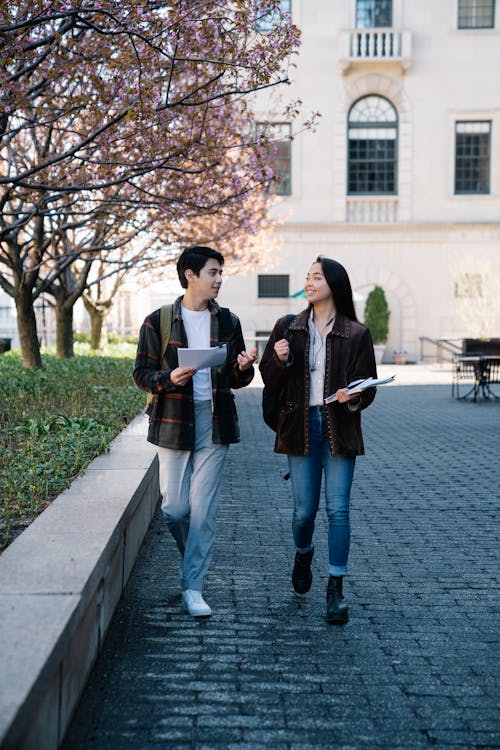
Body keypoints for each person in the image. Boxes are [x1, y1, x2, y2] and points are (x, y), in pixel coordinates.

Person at [133, 246, 256, 618]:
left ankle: (193, 587)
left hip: (216, 421)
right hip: (174, 419)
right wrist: (168, 378)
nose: (219, 280)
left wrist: (245, 366)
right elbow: (141, 375)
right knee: (174, 510)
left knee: (203, 512)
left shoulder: (228, 322)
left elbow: (238, 379)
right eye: (213, 273)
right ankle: (193, 564)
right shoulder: (159, 321)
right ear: (190, 275)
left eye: (221, 273)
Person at [259, 256, 377, 624]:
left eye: (316, 277)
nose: (308, 283)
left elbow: (368, 385)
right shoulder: (288, 327)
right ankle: (303, 552)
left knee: (338, 509)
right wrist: (276, 359)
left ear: (334, 283)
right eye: (307, 277)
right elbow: (268, 378)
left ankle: (336, 588)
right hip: (300, 426)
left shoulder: (356, 333)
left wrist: (352, 395)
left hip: (339, 427)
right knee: (303, 512)